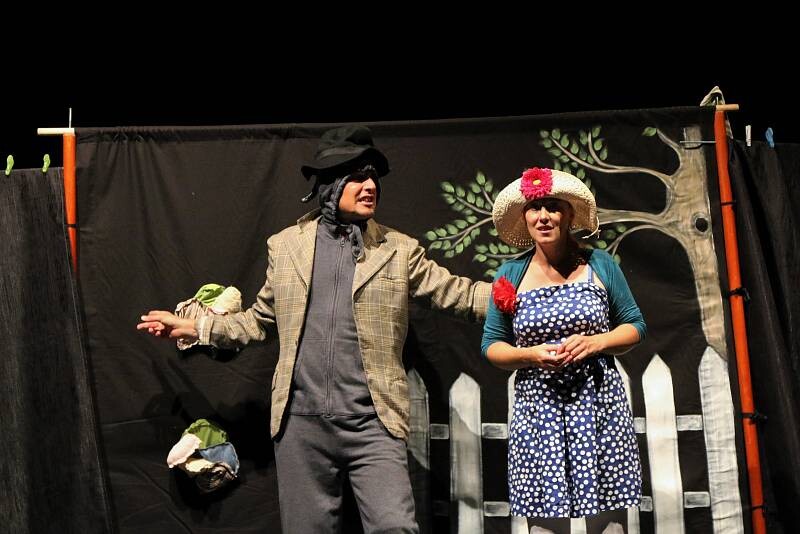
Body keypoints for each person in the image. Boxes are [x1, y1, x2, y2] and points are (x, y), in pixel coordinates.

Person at [138, 125, 490, 533]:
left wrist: (523, 297)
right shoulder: (288, 246)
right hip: (301, 426)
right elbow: (258, 321)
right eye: (358, 176)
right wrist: (196, 326)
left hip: (372, 423)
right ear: (331, 184)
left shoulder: (398, 249)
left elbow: (457, 293)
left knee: (394, 527)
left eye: (373, 177)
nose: (370, 186)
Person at [481, 167, 645, 527]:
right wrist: (529, 355)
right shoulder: (510, 274)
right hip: (539, 410)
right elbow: (492, 345)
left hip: (597, 404)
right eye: (534, 208)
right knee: (545, 519)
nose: (543, 216)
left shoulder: (599, 264)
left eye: (553, 207)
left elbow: (635, 326)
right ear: (524, 217)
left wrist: (597, 342)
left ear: (569, 215)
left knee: (608, 518)